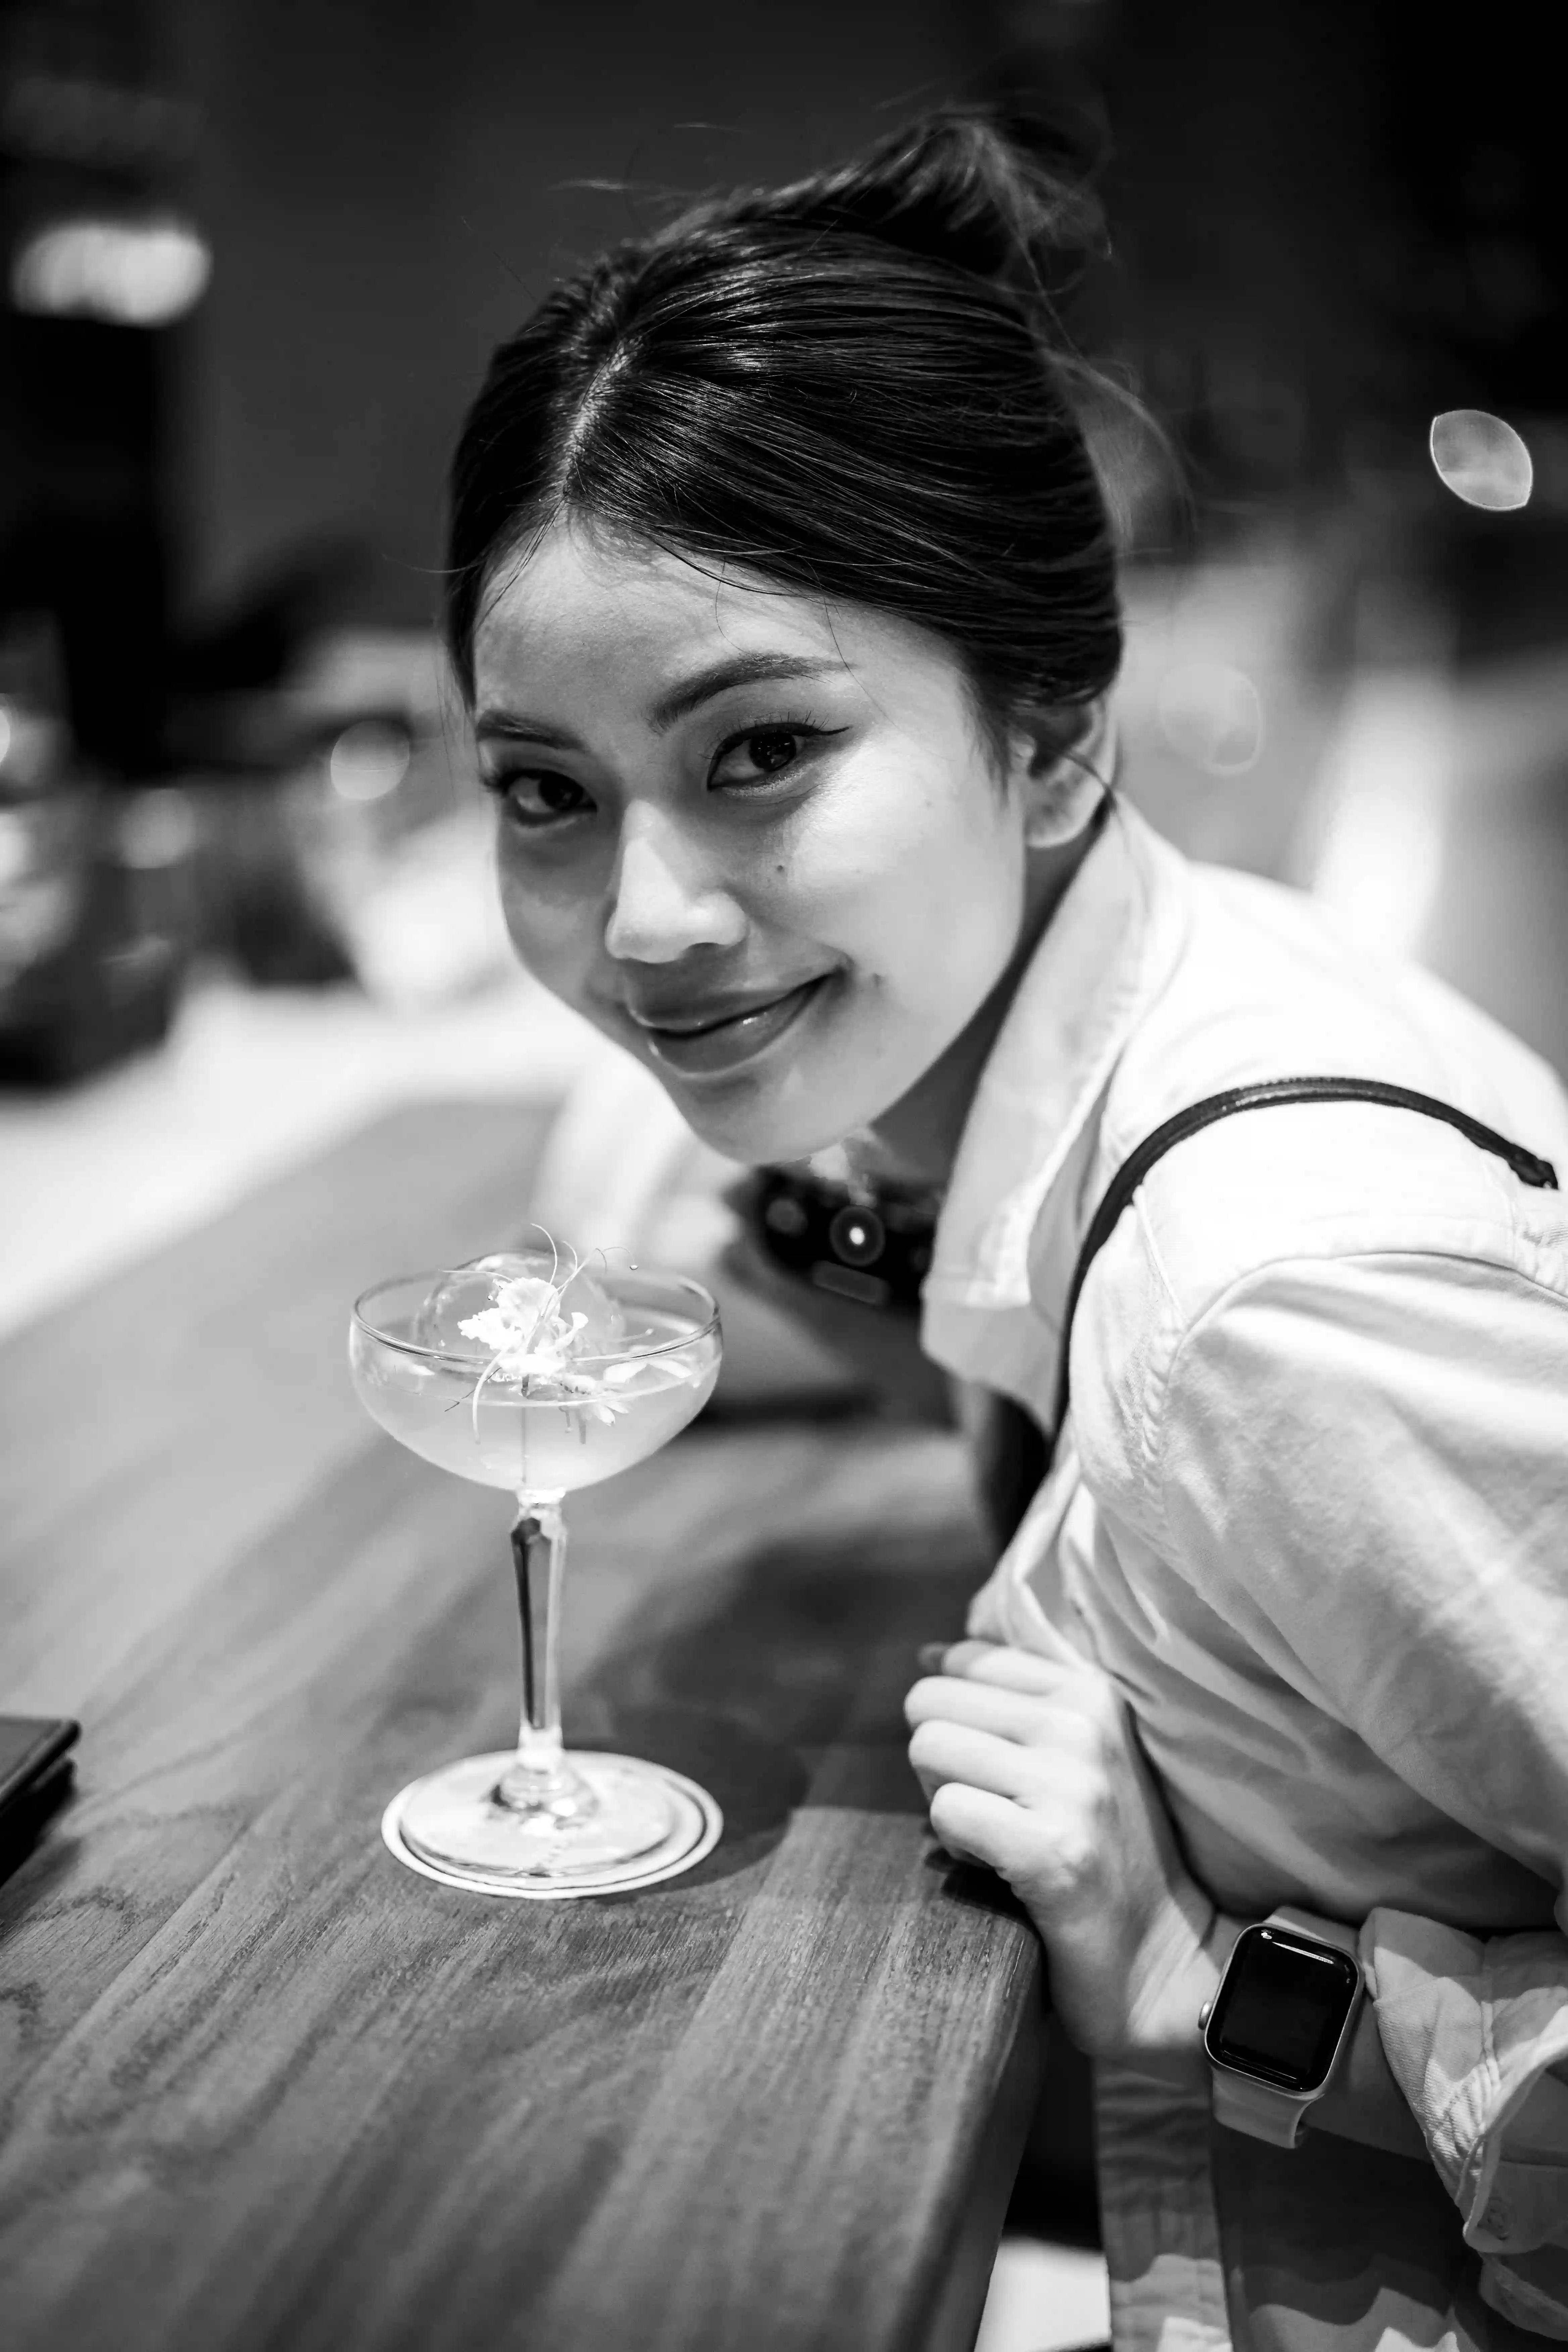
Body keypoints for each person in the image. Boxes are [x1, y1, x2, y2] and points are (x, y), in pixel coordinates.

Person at [441, 108, 1568, 2348]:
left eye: (760, 754)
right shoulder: (1130, 994)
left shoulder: (1276, 1309)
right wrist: (859, 1253)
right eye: (547, 792)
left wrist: (1208, 1985)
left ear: (1053, 741)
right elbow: (696, 1217)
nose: (647, 921)